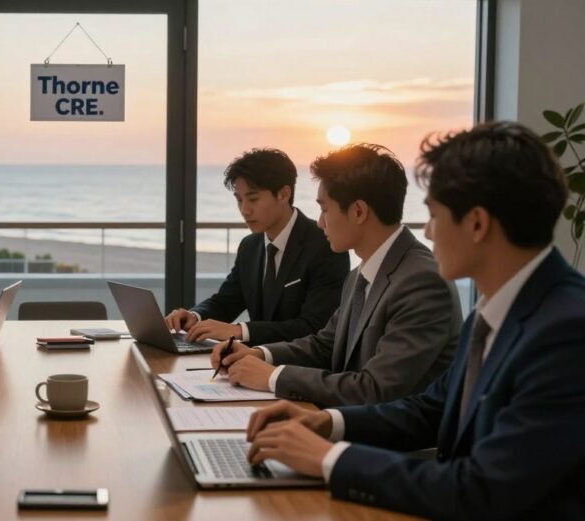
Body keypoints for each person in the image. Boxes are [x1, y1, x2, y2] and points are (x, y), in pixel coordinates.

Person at [245, 122, 585, 520]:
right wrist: (326, 423)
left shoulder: (567, 331)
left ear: (477, 223)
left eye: (435, 215)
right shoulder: (497, 309)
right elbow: (429, 409)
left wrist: (331, 460)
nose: (427, 231)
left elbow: (483, 489)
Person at [210, 144, 461, 406]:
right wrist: (260, 354)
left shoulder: (422, 281)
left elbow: (376, 390)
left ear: (359, 211)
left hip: (393, 443)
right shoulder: (360, 275)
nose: (320, 222)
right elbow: (324, 345)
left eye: (325, 209)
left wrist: (274, 377)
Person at [166, 148, 350, 345]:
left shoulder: (325, 245)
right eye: (239, 200)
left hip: (298, 368)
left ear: (284, 194)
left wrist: (240, 330)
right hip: (248, 362)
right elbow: (226, 301)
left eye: (253, 199)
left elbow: (314, 327)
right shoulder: (250, 246)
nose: (245, 210)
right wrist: (195, 316)